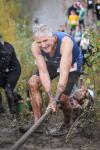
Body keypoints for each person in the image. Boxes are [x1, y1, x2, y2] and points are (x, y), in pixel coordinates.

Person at [27, 24, 83, 136]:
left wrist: (55, 99)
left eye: (45, 40)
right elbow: (43, 71)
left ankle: (67, 124)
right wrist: (50, 97)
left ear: (52, 36)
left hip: (72, 64)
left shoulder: (65, 43)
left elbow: (63, 73)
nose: (42, 45)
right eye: (39, 42)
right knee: (32, 82)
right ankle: (38, 123)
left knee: (62, 99)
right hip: (53, 63)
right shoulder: (35, 46)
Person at [0, 34, 21, 114]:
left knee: (8, 89)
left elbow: (5, 59)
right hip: (3, 70)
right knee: (8, 89)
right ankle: (1, 110)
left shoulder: (6, 47)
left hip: (14, 70)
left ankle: (13, 112)